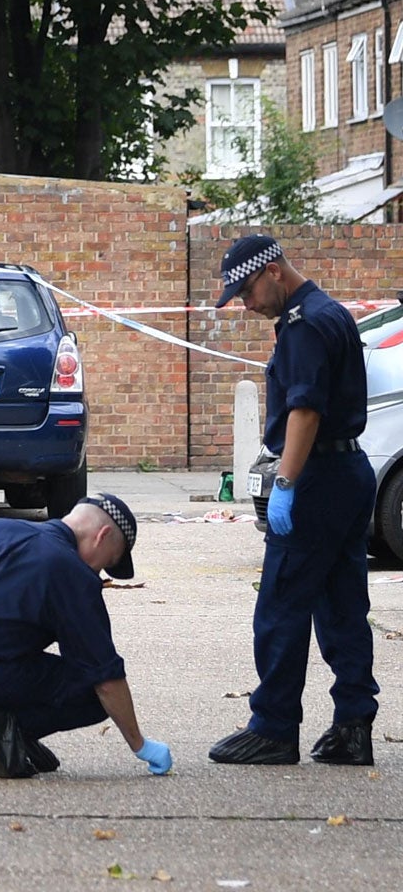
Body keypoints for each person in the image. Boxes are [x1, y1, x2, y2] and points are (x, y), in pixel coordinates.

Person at [207, 234, 378, 767]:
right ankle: (353, 725)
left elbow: (305, 411)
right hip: (349, 471)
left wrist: (285, 483)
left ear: (274, 271)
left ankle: (274, 728)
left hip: (317, 478)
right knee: (342, 605)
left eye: (249, 290)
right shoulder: (332, 312)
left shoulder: (304, 326)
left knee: (281, 604)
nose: (247, 303)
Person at [0, 492, 172, 777]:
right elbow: (105, 678)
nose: (99, 572)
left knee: (19, 655)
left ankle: (12, 738)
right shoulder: (72, 574)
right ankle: (5, 731)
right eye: (107, 561)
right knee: (94, 695)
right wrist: (141, 746)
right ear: (102, 536)